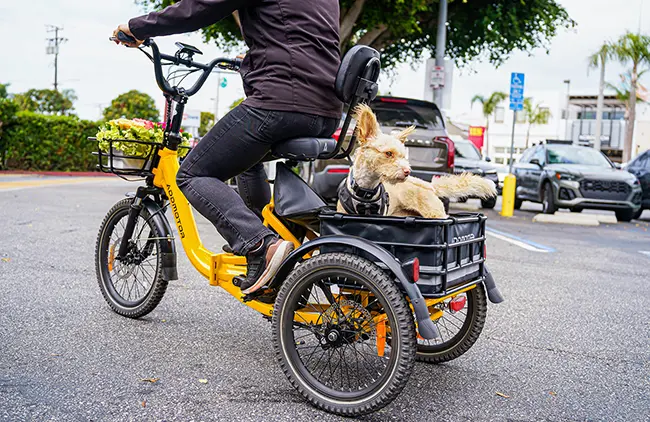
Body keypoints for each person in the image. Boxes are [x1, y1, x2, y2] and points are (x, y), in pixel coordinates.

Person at [114, 0, 342, 293]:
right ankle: (270, 243)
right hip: (326, 111)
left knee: (192, 174)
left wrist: (135, 27)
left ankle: (260, 245)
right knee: (247, 160)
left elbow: (200, 7)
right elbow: (301, 36)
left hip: (280, 103)